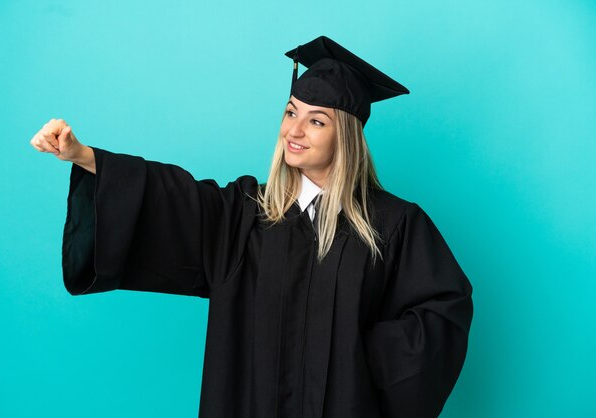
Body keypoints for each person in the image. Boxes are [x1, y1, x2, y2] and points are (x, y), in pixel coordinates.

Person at [30, 36, 473, 418]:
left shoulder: (393, 225)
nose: (294, 131)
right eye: (290, 112)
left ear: (348, 137)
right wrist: (86, 157)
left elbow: (441, 315)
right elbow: (175, 198)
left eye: (317, 120)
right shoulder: (246, 214)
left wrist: (358, 360)